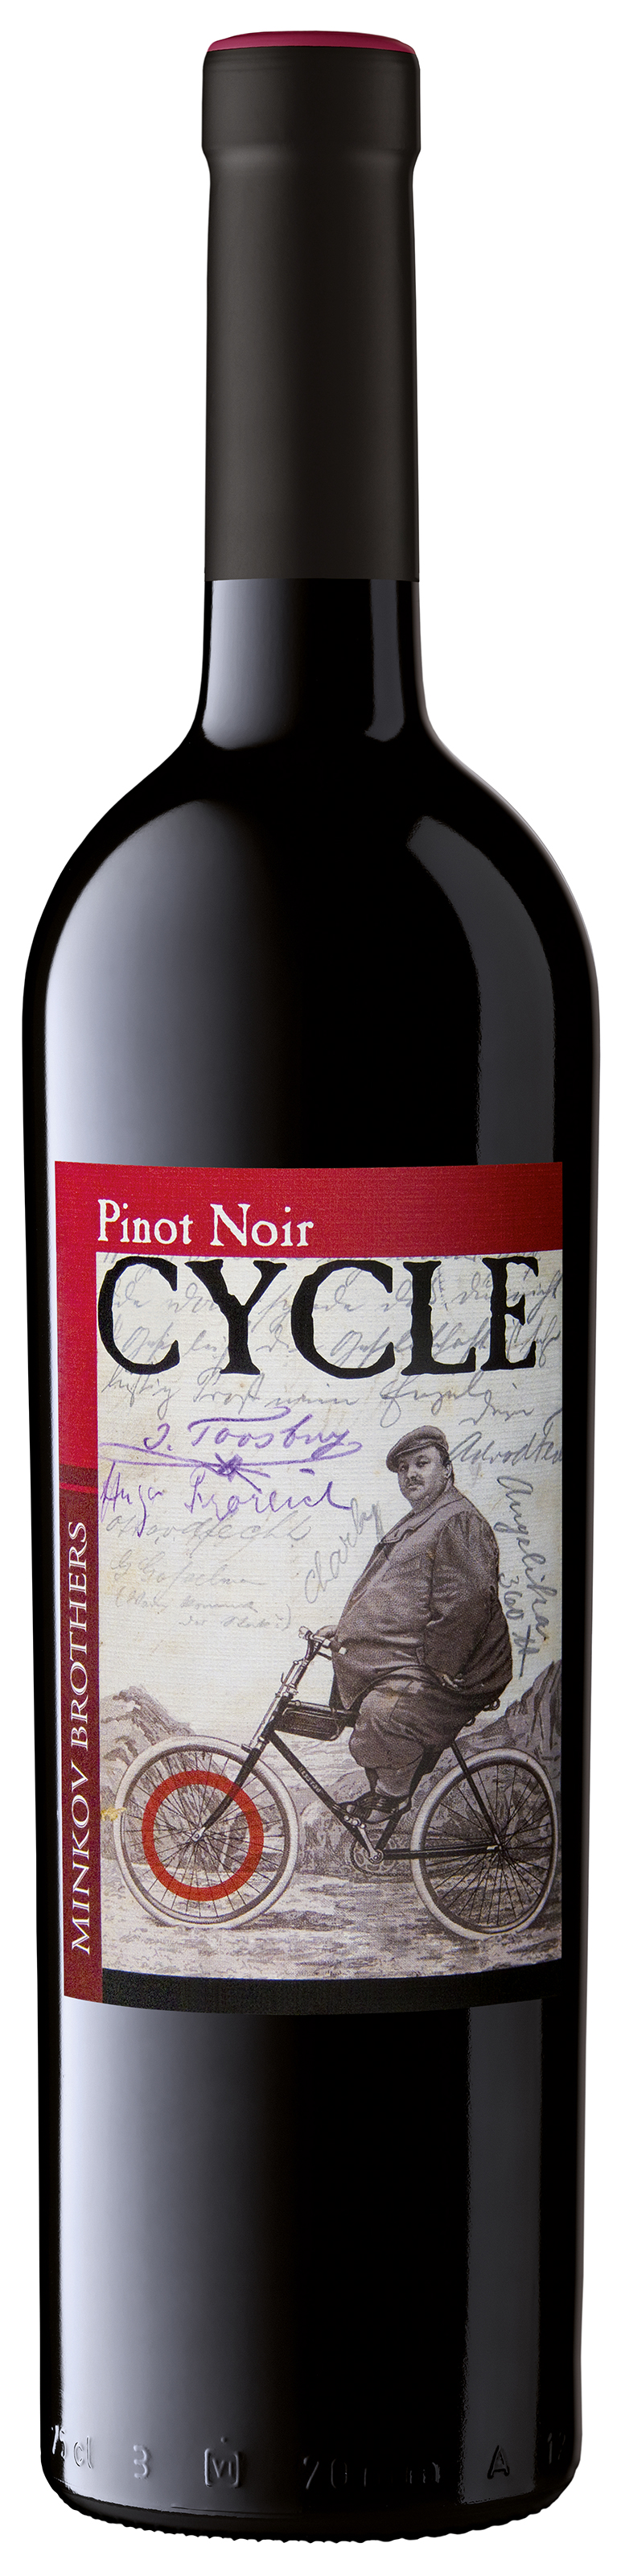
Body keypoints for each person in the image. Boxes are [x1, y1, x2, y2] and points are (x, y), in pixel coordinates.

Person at [323, 1425, 512, 1821]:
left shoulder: (457, 1520)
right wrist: (348, 1632)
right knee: (354, 1713)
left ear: (447, 1469)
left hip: (457, 1669)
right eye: (403, 1468)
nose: (410, 1474)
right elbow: (399, 1597)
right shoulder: (422, 1519)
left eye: (422, 1463)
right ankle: (390, 1791)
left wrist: (442, 1664)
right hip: (413, 1658)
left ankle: (393, 1796)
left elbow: (467, 1601)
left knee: (382, 1714)